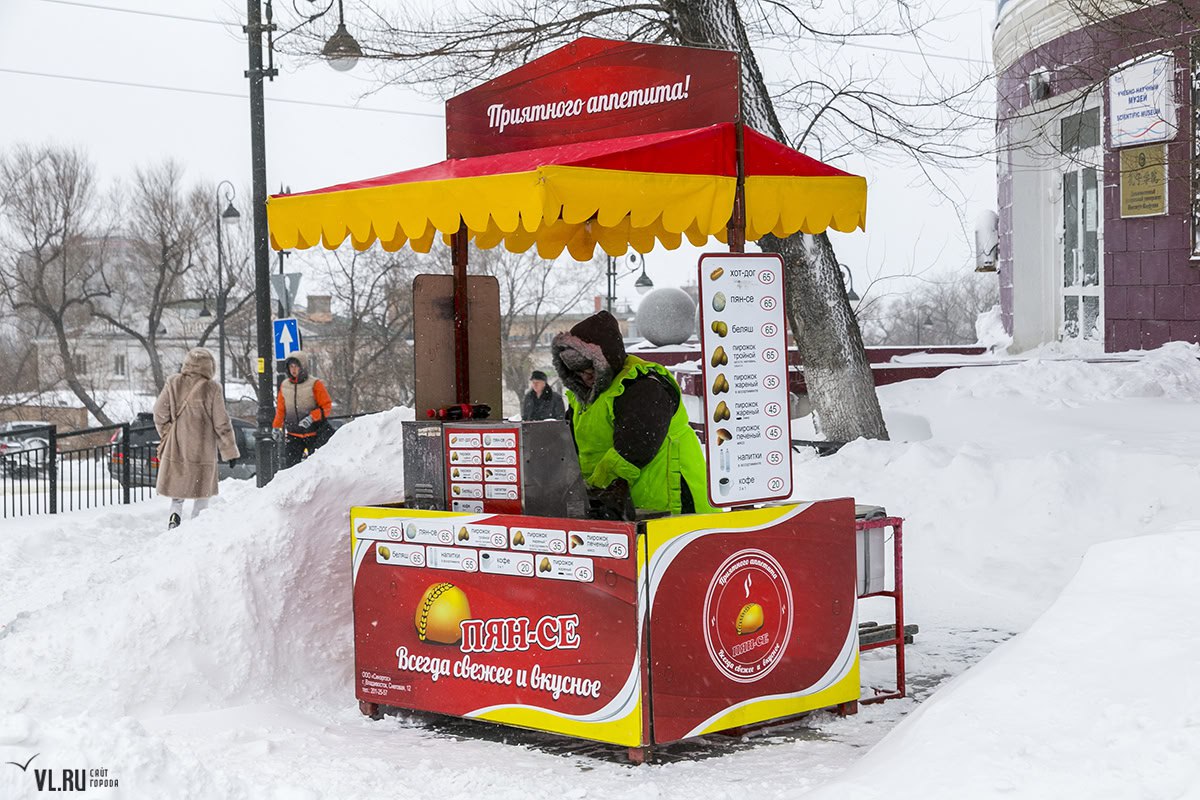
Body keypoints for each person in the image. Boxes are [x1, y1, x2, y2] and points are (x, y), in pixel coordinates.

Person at [551, 310, 716, 520]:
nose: (585, 377)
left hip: (674, 502)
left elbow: (634, 447)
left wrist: (596, 488)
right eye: (577, 371)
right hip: (627, 507)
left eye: (590, 368)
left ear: (608, 359)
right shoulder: (582, 398)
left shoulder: (643, 386)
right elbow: (569, 444)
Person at [154, 348, 240, 530]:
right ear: (210, 366)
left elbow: (159, 412)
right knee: (202, 492)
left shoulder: (173, 382)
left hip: (178, 445)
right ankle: (196, 526)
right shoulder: (212, 388)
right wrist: (229, 451)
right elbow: (221, 422)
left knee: (178, 489)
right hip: (203, 448)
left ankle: (174, 516)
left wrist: (168, 432)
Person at [272, 350, 333, 469]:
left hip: (314, 435)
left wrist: (311, 418)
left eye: (296, 366)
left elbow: (326, 406)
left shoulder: (315, 384)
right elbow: (281, 410)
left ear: (303, 367)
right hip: (293, 435)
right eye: (291, 366)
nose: (293, 370)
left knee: (316, 468)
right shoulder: (284, 386)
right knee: (290, 469)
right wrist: (276, 427)